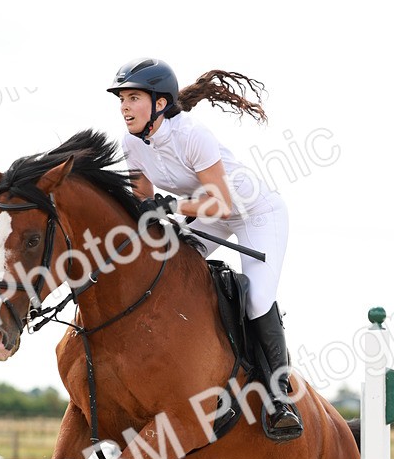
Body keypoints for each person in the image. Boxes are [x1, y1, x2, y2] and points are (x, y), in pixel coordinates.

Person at [107, 57, 301, 436]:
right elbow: (143, 199)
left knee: (258, 299)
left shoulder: (192, 135)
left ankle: (281, 397)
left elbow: (222, 203)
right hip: (206, 209)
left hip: (253, 212)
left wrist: (174, 207)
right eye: (122, 100)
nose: (125, 107)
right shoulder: (132, 143)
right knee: (167, 270)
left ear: (159, 103)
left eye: (133, 98)